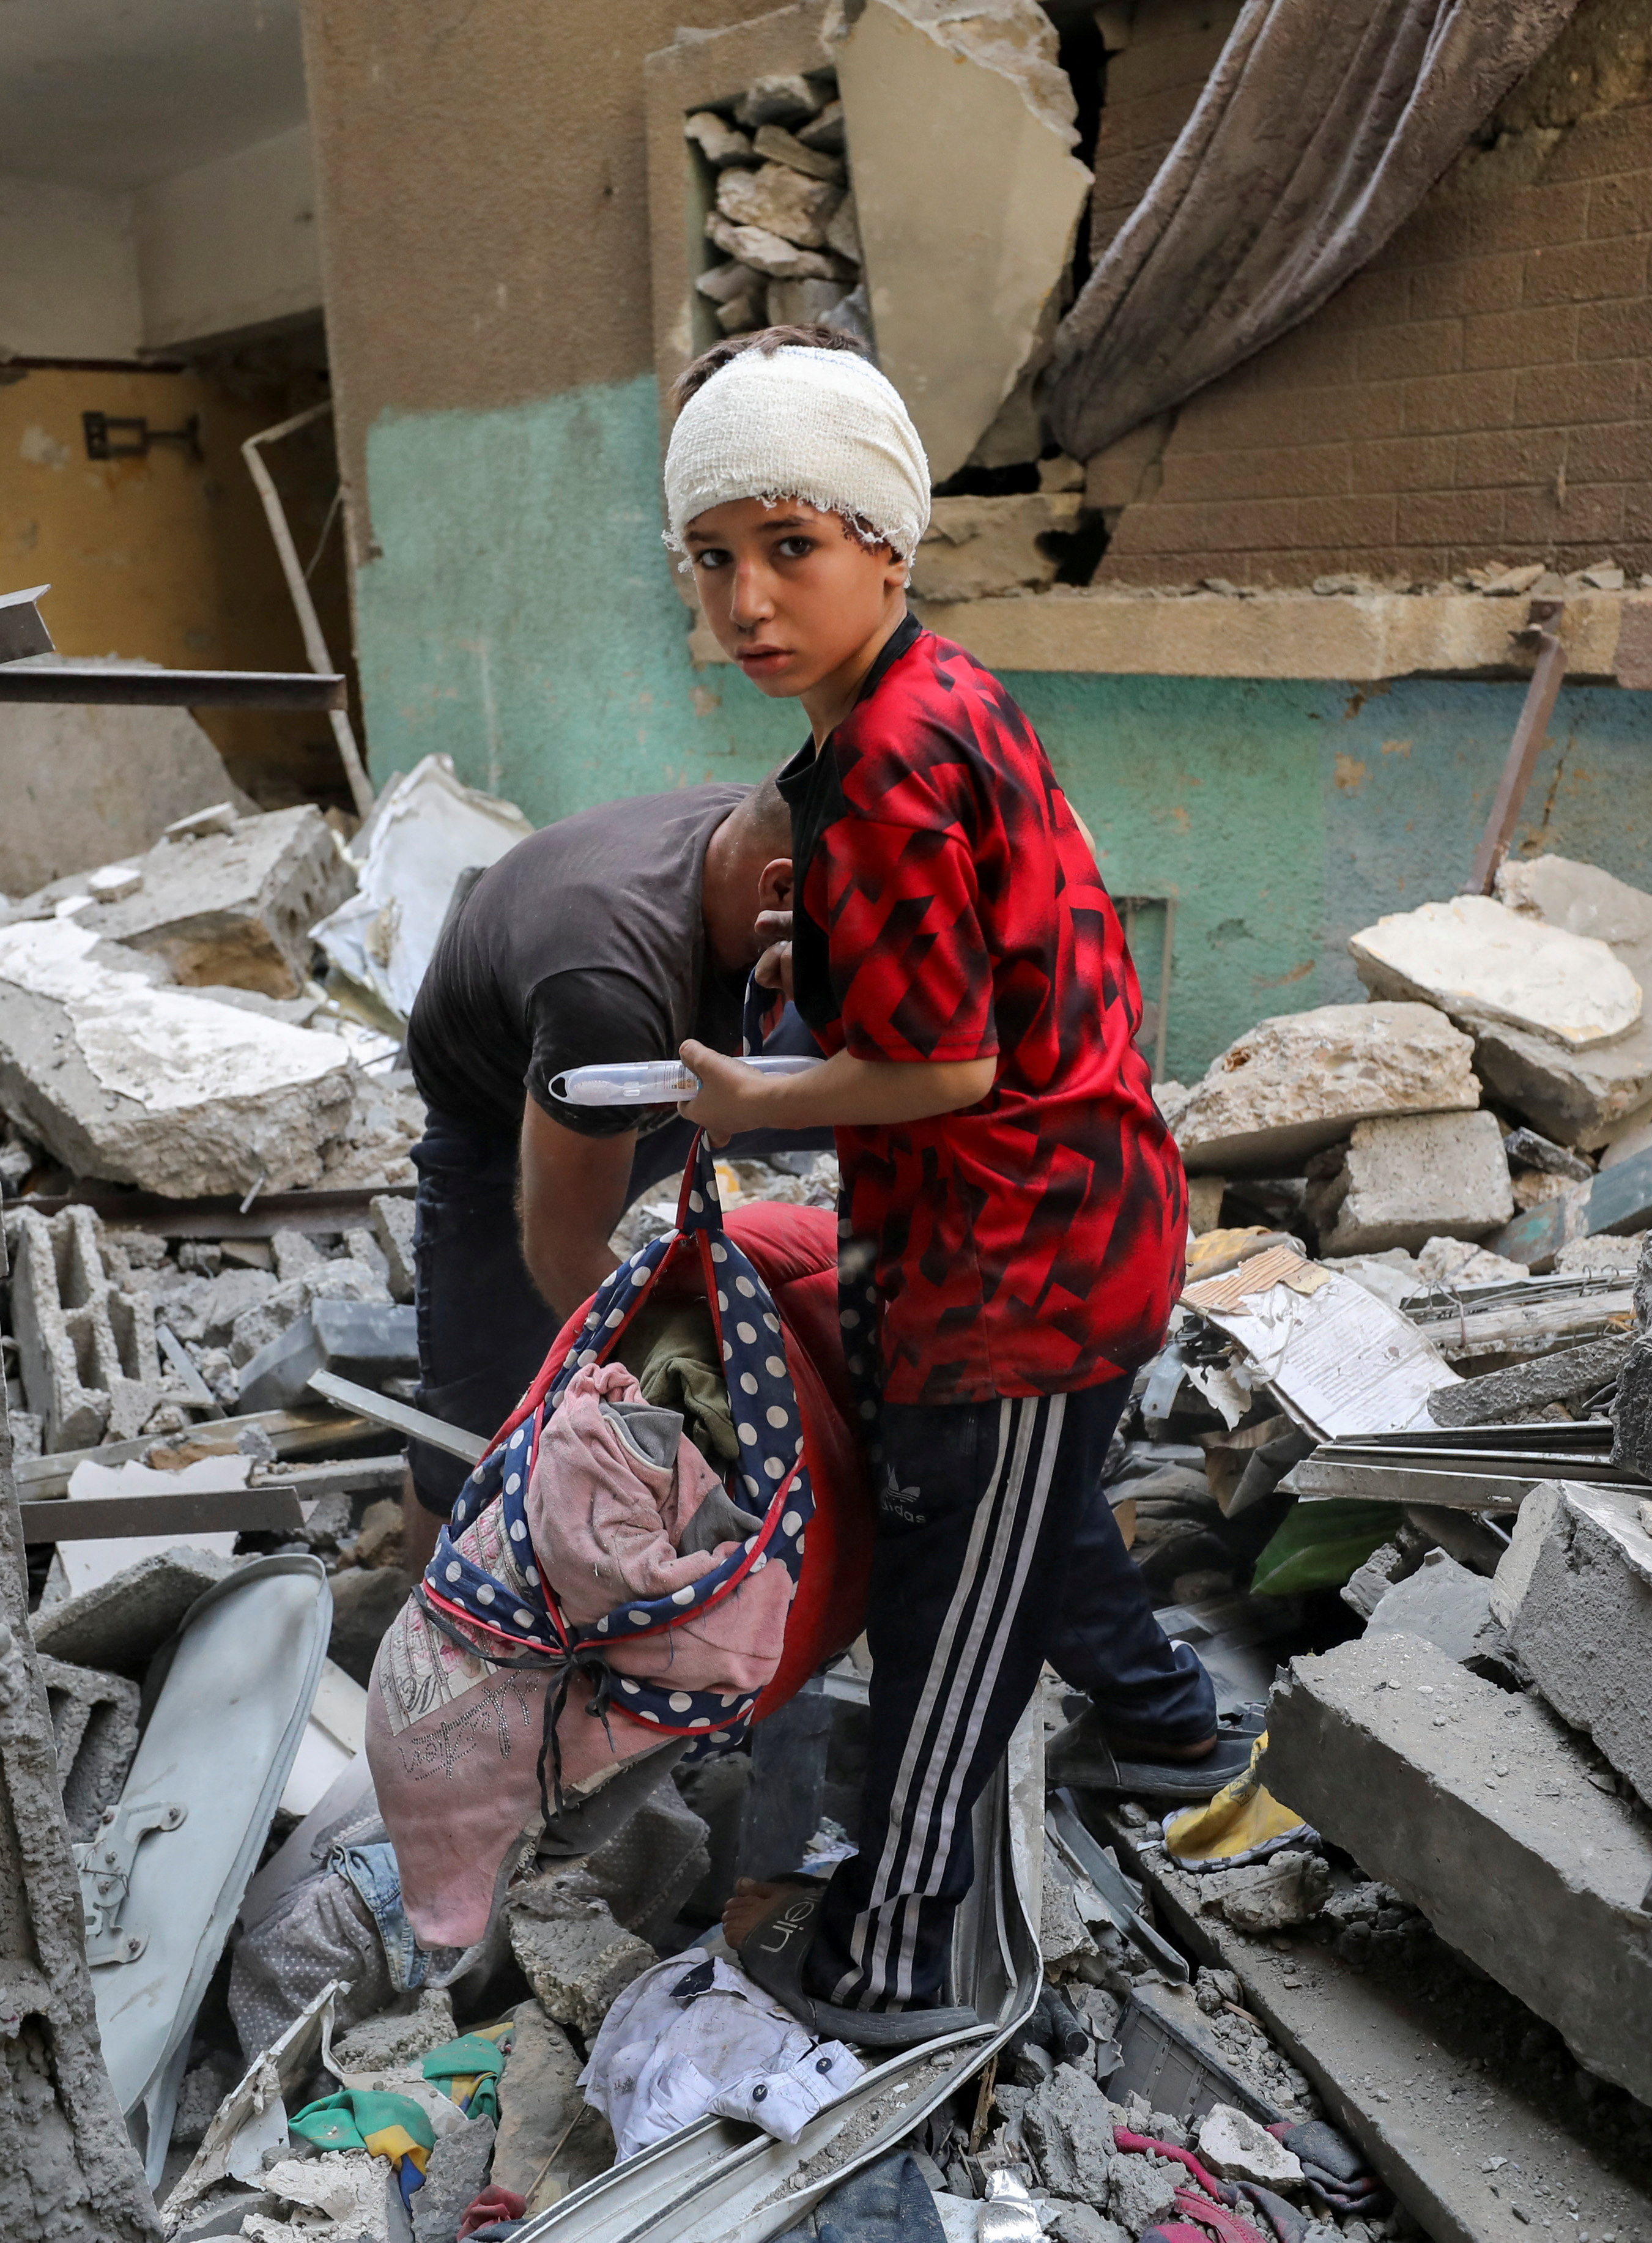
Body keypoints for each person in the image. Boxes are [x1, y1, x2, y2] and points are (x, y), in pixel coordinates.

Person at [658, 327, 1256, 2047]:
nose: (748, 599)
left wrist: (752, 1087)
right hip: (1055, 1227)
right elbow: (960, 974)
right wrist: (817, 959)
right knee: (1036, 1529)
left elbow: (947, 1071)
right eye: (714, 558)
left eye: (792, 546)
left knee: (948, 1619)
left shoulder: (888, 760)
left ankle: (899, 1947)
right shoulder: (923, 699)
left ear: (886, 545)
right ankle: (1166, 1723)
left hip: (1011, 1269)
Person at [397, 779, 797, 1565]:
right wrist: (701, 1397)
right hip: (509, 1113)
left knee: (889, 1085)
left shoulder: (759, 842)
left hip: (667, 1063)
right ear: (780, 889)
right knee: (480, 1414)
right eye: (873, 928)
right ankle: (429, 1637)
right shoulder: (609, 990)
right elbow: (564, 1249)